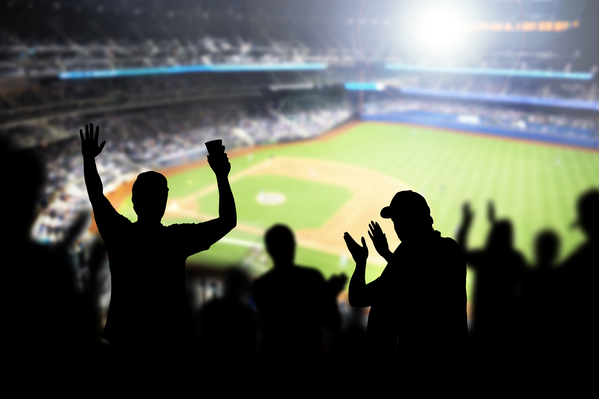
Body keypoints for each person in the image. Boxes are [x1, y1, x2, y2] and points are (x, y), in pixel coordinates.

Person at [79, 123, 236, 377]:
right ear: (164, 201)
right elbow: (227, 220)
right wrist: (221, 174)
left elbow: (96, 195)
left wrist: (89, 160)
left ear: (133, 201)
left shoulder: (120, 234)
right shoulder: (176, 239)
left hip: (124, 340)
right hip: (168, 343)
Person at [344, 190, 468, 378]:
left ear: (411, 221)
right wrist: (387, 254)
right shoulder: (450, 248)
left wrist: (361, 261)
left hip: (418, 363)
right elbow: (417, 275)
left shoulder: (407, 253)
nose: (396, 227)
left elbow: (358, 297)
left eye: (398, 220)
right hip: (454, 358)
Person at [251, 224, 346, 370]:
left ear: (269, 250)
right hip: (309, 360)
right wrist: (330, 294)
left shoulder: (259, 286)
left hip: (272, 360)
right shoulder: (313, 277)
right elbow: (333, 324)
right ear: (293, 246)